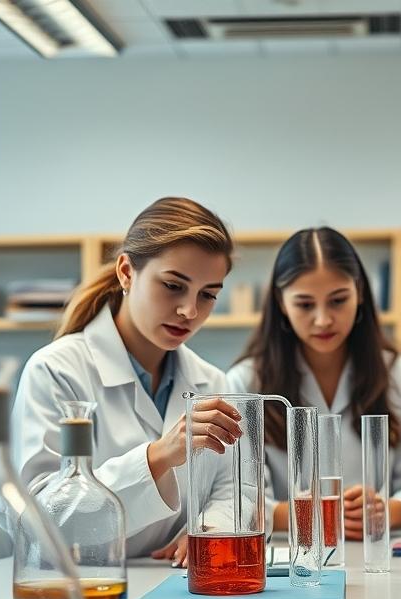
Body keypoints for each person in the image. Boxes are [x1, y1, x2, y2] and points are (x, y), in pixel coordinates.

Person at [13, 197, 242, 563]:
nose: (190, 311)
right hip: (84, 589)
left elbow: (236, 487)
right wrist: (156, 457)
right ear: (126, 272)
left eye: (208, 294)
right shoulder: (57, 370)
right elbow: (33, 520)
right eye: (172, 286)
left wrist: (209, 529)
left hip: (176, 586)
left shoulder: (211, 380)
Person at [227, 227, 401, 540]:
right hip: (289, 559)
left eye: (338, 300)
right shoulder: (245, 383)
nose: (323, 320)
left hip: (380, 552)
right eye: (305, 304)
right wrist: (320, 513)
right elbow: (239, 503)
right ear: (281, 303)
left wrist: (382, 510)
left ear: (360, 294)